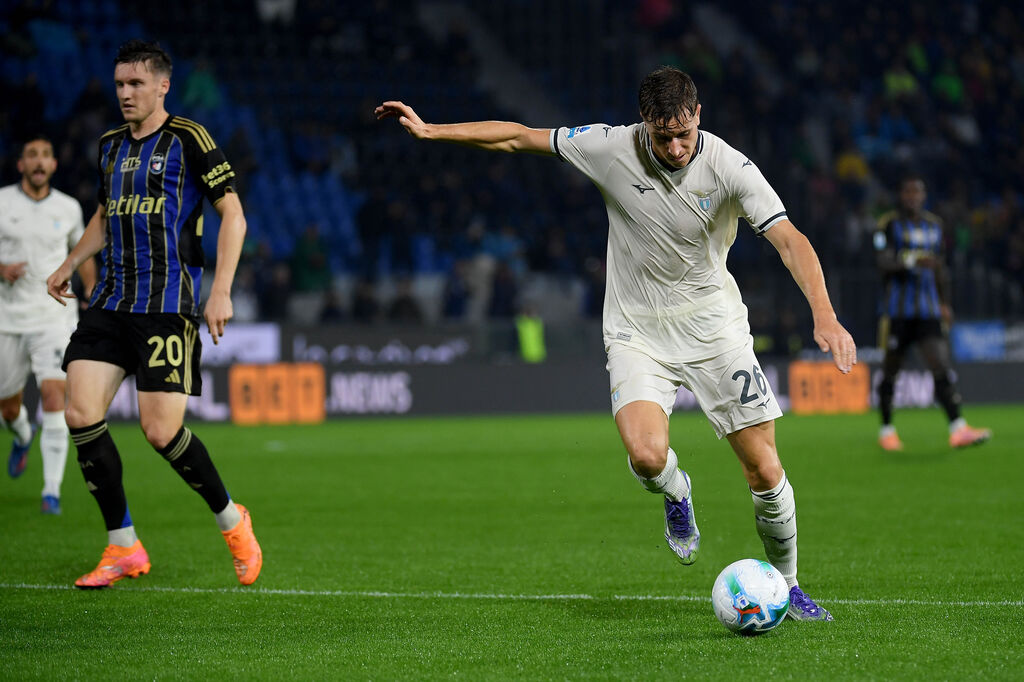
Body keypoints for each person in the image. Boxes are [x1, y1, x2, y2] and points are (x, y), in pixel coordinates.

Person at [377, 66, 858, 622]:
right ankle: (678, 493)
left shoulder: (730, 167)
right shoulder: (610, 146)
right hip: (636, 330)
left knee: (764, 472)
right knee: (647, 456)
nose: (675, 147)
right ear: (643, 126)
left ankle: (790, 584)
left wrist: (825, 314)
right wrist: (434, 130)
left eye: (683, 133)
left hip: (714, 331)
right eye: (662, 137)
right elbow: (518, 136)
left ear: (698, 115)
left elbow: (790, 239)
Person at [45, 40, 262, 589]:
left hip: (166, 306)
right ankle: (123, 546)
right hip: (111, 302)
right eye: (119, 84)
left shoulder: (190, 138)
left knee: (161, 432)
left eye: (136, 84)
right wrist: (71, 262)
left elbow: (232, 217)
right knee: (79, 414)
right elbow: (104, 211)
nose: (125, 93)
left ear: (163, 85)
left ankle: (233, 521)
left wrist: (221, 290)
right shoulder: (110, 145)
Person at [1, 135, 97, 514]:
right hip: (8, 320)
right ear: (21, 164)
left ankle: (51, 492)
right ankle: (22, 434)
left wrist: (89, 284)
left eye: (45, 155)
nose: (39, 162)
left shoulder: (69, 207)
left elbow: (82, 250)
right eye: (31, 156)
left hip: (54, 316)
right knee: (8, 408)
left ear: (54, 165)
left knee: (55, 397)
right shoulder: (3, 202)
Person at [873, 175, 991, 451]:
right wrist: (912, 260)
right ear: (901, 195)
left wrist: (945, 302)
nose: (913, 196)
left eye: (917, 192)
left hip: (928, 310)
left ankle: (958, 429)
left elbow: (941, 269)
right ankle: (887, 430)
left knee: (940, 364)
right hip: (898, 312)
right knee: (891, 371)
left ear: (924, 196)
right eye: (908, 191)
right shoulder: (888, 225)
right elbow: (882, 263)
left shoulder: (935, 226)